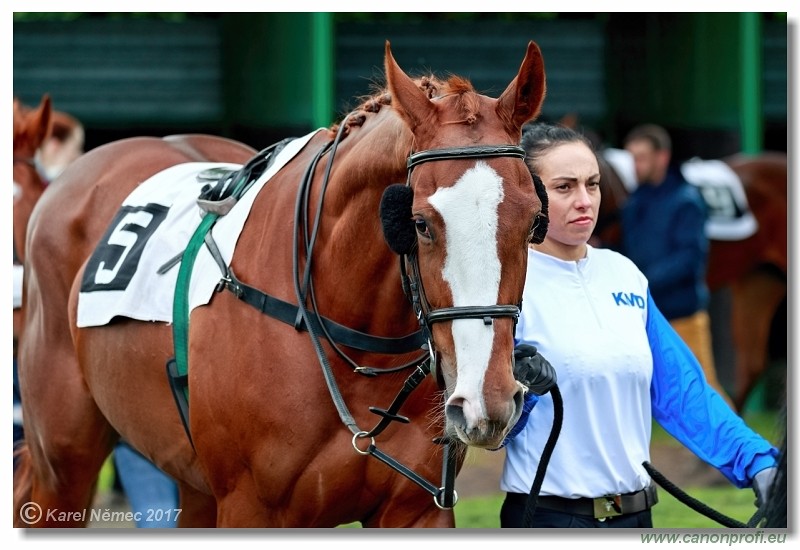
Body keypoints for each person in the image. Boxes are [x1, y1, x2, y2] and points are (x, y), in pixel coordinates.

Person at [498, 122, 778, 528]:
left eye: (592, 184)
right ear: (527, 192)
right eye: (565, 187)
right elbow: (487, 430)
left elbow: (682, 391)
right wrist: (522, 393)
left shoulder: (624, 273)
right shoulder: (506, 287)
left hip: (636, 519)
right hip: (549, 519)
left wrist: (759, 462)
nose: (584, 201)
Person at [619, 124, 733, 409]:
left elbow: (690, 259)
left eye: (642, 157)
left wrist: (641, 280)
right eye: (632, 157)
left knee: (703, 390)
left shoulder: (686, 200)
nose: (635, 165)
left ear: (662, 157)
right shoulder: (635, 201)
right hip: (644, 314)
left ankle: (738, 452)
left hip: (683, 315)